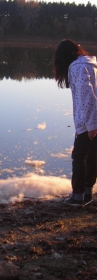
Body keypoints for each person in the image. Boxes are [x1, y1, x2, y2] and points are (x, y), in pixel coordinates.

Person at [54, 39, 97, 206]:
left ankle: (77, 196)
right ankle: (87, 193)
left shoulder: (78, 68)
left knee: (79, 157)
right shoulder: (91, 64)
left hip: (88, 122)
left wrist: (91, 125)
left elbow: (88, 96)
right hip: (93, 119)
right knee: (92, 155)